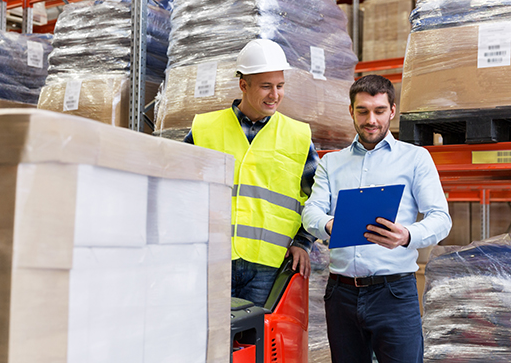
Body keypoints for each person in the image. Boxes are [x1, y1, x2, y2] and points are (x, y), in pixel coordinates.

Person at [302, 74, 452, 362]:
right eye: (363, 111)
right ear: (351, 111)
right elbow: (311, 211)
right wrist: (330, 224)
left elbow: (440, 218)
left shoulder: (415, 158)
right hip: (341, 294)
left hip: (393, 293)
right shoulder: (332, 162)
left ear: (392, 110)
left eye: (379, 111)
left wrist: (407, 235)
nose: (371, 120)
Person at [184, 39, 319, 307]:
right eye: (266, 86)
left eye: (280, 86)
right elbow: (178, 189)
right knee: (210, 342)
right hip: (212, 258)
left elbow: (318, 197)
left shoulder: (298, 136)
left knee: (254, 344)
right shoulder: (204, 129)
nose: (275, 95)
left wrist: (303, 241)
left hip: (268, 264)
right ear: (243, 85)